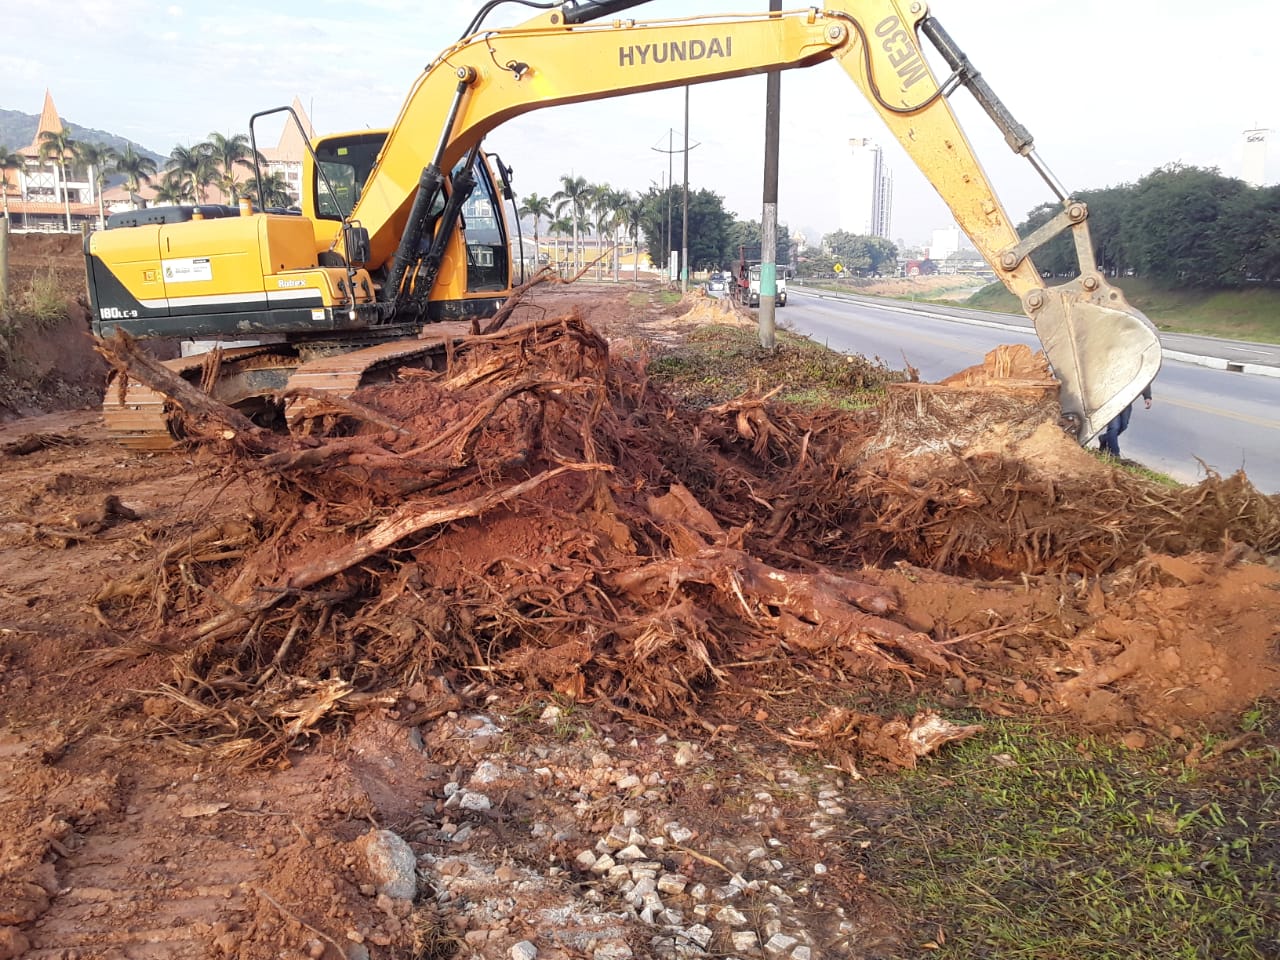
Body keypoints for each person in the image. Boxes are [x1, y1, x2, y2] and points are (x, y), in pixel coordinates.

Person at [1097, 381, 1153, 458]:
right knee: (1114, 427)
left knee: (1123, 425)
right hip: (1111, 399)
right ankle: (1115, 453)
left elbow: (1143, 377)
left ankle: (1104, 438)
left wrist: (1147, 397)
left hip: (1126, 400)